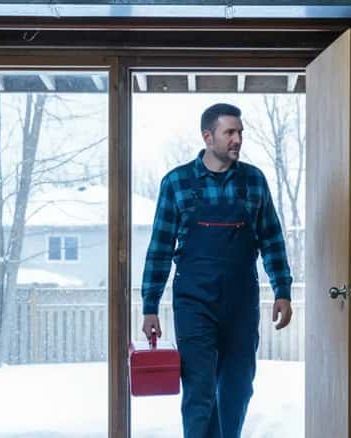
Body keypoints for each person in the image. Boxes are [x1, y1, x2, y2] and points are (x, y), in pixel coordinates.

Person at [140, 103, 294, 438]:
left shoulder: (253, 181)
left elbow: (271, 238)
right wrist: (149, 306)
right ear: (208, 136)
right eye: (230, 132)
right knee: (200, 391)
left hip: (241, 303)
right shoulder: (178, 183)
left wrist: (283, 290)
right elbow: (160, 248)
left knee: (238, 388)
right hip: (194, 304)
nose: (238, 139)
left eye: (240, 132)